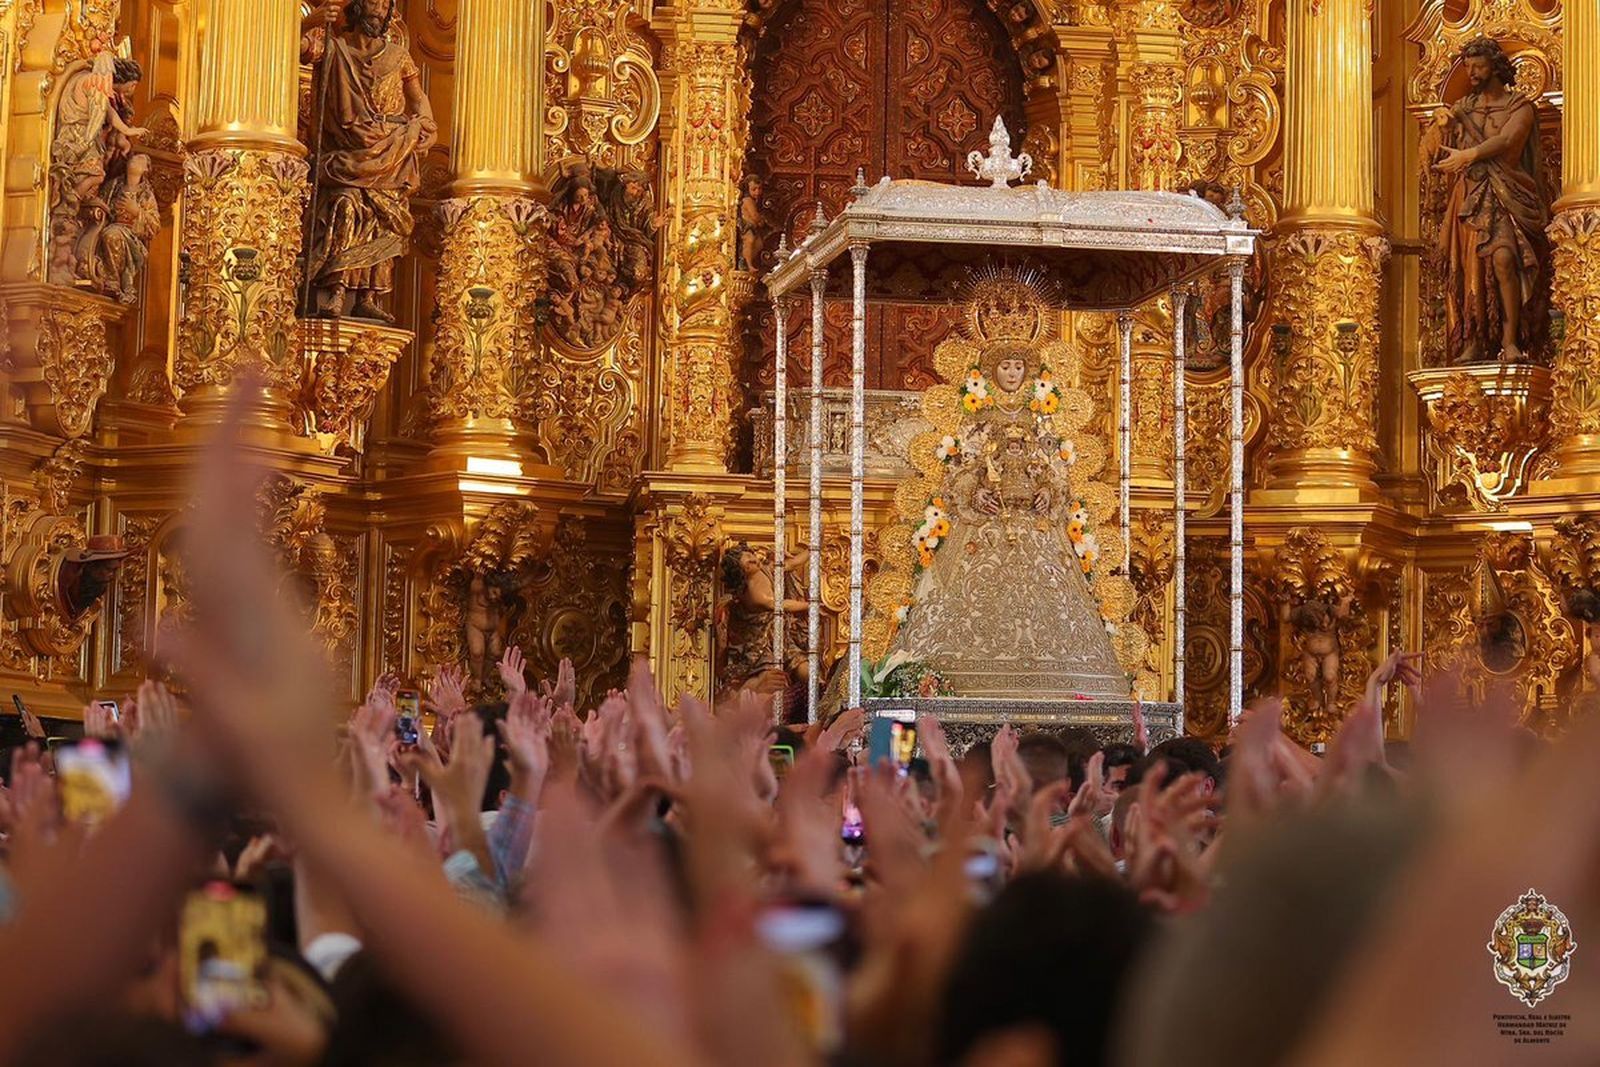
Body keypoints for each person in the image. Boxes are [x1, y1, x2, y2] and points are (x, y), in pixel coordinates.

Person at [300, 0, 436, 320]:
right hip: (347, 158)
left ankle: (368, 296)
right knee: (346, 205)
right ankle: (336, 289)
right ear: (358, 8)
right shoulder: (333, 49)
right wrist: (310, 23)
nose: (378, 11)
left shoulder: (399, 57)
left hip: (391, 152)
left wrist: (426, 128)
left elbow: (420, 102)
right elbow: (286, 49)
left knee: (385, 219)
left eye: (384, 6)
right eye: (373, 4)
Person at [1431, 36, 1550, 363]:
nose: (1470, 72)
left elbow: (1508, 139)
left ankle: (1510, 340)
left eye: (1478, 65)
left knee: (1504, 260)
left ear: (1495, 66)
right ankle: (1475, 338)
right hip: (1470, 195)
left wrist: (1469, 153)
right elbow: (1441, 152)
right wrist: (1444, 127)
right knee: (1473, 267)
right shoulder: (1463, 108)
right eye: (1467, 66)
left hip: (1507, 194)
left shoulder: (1519, 106)